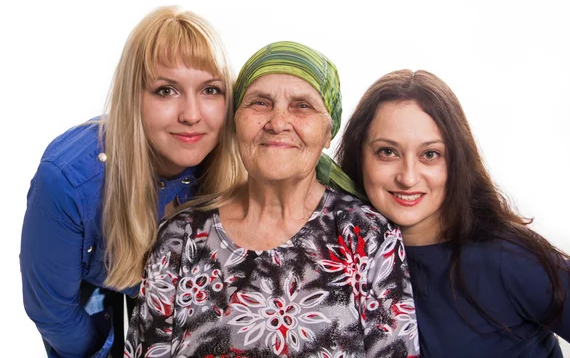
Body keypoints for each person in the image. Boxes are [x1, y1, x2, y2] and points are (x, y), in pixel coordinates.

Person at [125, 41, 420, 357]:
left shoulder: (366, 235)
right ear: (235, 122)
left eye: (302, 106)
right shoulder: (180, 237)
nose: (278, 123)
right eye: (260, 103)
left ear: (327, 132)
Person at [20, 6, 245, 358]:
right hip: (96, 304)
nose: (191, 114)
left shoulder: (237, 161)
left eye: (210, 90)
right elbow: (53, 312)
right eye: (166, 90)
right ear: (133, 97)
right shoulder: (68, 181)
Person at [336, 69, 570, 357]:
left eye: (430, 154)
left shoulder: (509, 258)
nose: (408, 177)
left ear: (457, 161)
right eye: (387, 152)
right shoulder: (340, 262)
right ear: (359, 156)